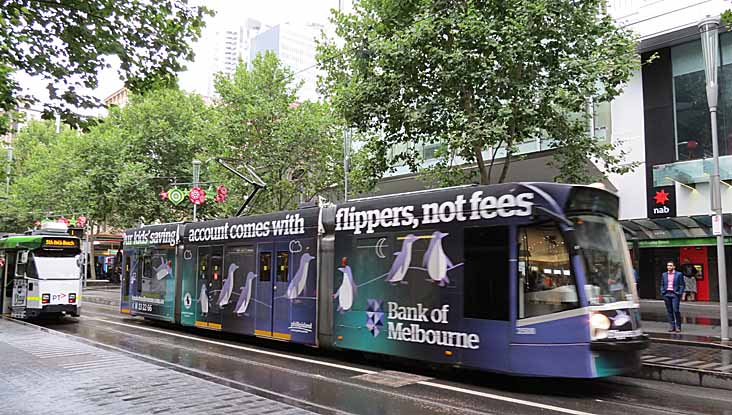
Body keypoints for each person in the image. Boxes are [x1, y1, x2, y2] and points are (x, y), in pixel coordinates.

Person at [660, 260, 685, 332]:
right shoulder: (664, 274)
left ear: (674, 266)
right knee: (669, 311)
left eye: (670, 265)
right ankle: (672, 326)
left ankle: (678, 326)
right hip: (666, 293)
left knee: (676, 310)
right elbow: (662, 284)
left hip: (675, 294)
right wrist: (662, 291)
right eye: (668, 265)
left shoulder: (679, 274)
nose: (669, 267)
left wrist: (679, 293)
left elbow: (682, 285)